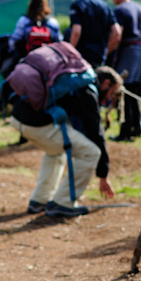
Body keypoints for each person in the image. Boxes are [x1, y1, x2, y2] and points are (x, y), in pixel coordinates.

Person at [10, 66, 122, 217]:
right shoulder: (87, 92)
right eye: (111, 92)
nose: (108, 99)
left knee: (55, 150)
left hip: (19, 118)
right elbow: (96, 135)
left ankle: (39, 200)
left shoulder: (75, 80)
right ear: (106, 83)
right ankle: (63, 203)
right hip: (36, 123)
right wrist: (103, 175)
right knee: (91, 152)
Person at [109, 0, 141, 141]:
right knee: (134, 91)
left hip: (129, 51)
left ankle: (126, 131)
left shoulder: (120, 10)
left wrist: (108, 50)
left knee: (125, 89)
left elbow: (117, 33)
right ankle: (137, 126)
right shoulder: (139, 8)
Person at [69, 0, 121, 68]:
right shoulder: (105, 6)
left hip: (81, 55)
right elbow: (117, 32)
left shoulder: (78, 6)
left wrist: (69, 52)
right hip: (99, 55)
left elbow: (76, 31)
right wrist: (106, 50)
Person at [8, 0, 62, 64]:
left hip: (27, 59)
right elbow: (59, 41)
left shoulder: (24, 20)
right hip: (49, 59)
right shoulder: (52, 22)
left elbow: (15, 39)